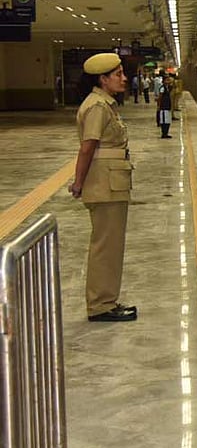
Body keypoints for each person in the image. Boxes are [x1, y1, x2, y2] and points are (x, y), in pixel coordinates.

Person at [68, 53, 138, 322]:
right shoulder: (98, 106)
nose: (124, 78)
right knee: (106, 246)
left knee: (110, 244)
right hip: (104, 184)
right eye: (118, 74)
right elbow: (88, 147)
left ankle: (106, 300)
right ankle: (101, 305)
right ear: (103, 79)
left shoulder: (104, 103)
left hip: (109, 183)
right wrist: (78, 181)